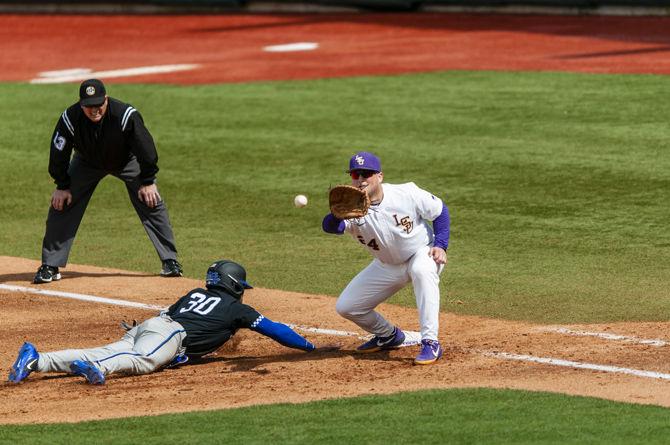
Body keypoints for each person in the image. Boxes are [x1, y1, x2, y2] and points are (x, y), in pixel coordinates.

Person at [9, 260, 315, 385]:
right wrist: (310, 346)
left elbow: (170, 314)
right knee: (143, 360)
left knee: (100, 350)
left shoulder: (195, 293)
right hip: (169, 335)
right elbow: (276, 330)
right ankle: (100, 370)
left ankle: (38, 360)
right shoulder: (237, 310)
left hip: (151, 326)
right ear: (234, 284)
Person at [34, 78, 182, 284]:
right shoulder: (70, 117)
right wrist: (62, 185)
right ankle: (50, 265)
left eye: (98, 105)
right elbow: (58, 152)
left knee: (151, 199)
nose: (94, 110)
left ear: (106, 99)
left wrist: (148, 181)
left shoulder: (125, 115)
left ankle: (170, 261)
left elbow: (146, 149)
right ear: (80, 103)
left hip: (125, 160)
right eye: (88, 106)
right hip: (86, 162)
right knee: (61, 203)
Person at [322, 152, 450, 365]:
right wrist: (336, 215)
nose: (361, 179)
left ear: (379, 176)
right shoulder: (352, 209)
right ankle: (390, 336)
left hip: (422, 253)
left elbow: (440, 212)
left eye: (367, 174)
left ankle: (430, 341)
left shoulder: (406, 192)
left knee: (421, 270)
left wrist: (440, 245)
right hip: (387, 265)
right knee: (347, 306)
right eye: (356, 174)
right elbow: (330, 228)